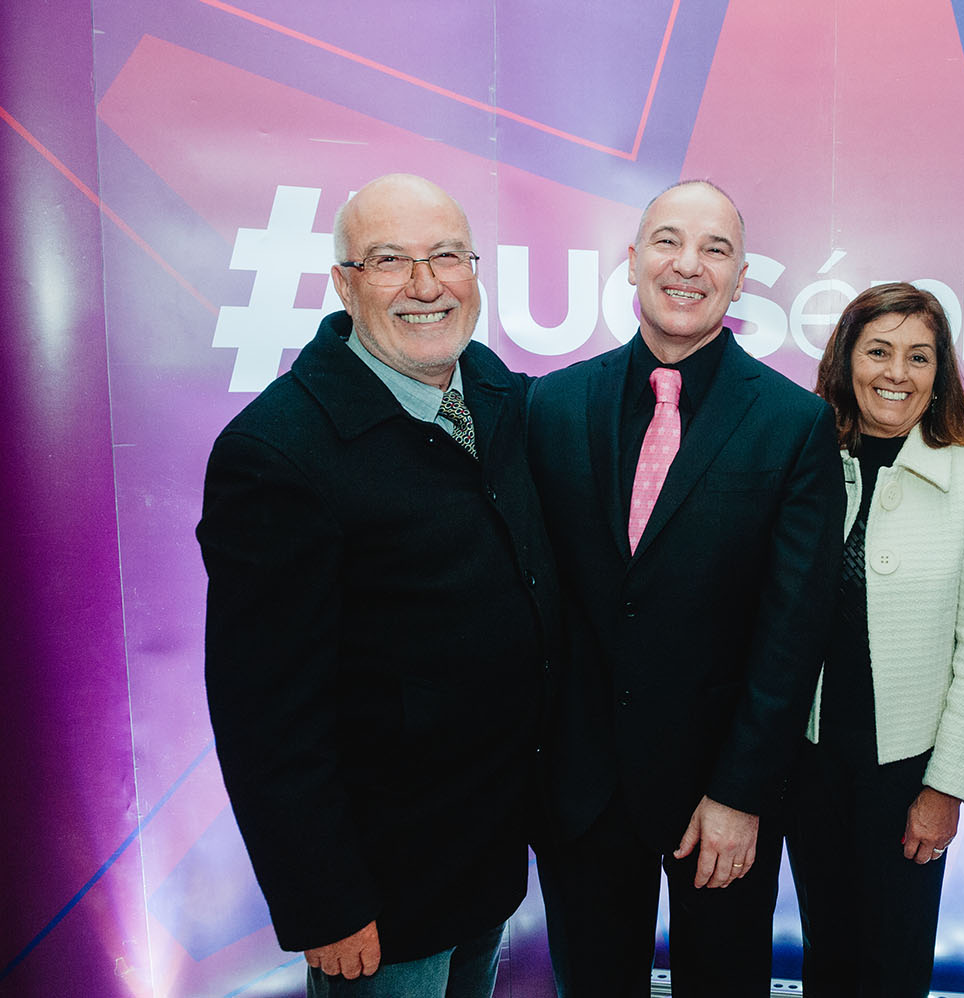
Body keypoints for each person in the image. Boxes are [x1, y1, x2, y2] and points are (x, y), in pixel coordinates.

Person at [198, 174, 558, 998]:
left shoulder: (496, 392)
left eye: (447, 257)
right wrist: (323, 902)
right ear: (344, 284)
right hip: (379, 899)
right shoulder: (277, 453)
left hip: (489, 862)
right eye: (390, 260)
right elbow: (265, 713)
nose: (426, 286)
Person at [525, 179, 845, 997]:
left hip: (719, 795)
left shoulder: (793, 424)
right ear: (632, 261)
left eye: (715, 249)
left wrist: (740, 792)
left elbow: (794, 630)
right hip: (581, 793)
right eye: (668, 242)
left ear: (741, 279)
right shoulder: (551, 405)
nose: (688, 265)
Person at [785, 282, 964, 996]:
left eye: (919, 356)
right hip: (807, 760)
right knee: (827, 953)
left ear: (939, 373)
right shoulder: (805, 457)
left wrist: (946, 787)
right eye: (878, 351)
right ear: (846, 360)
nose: (897, 373)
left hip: (907, 769)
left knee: (894, 960)